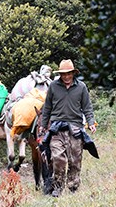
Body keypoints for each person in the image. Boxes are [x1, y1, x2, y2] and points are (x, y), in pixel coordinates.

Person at [39, 59, 97, 197]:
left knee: (75, 160)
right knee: (58, 158)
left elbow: (87, 108)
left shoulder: (81, 87)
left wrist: (91, 122)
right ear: (60, 74)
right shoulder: (53, 86)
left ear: (73, 73)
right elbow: (47, 107)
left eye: (68, 74)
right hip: (56, 128)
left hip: (75, 128)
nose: (66, 77)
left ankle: (73, 188)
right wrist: (43, 126)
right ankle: (58, 187)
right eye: (63, 74)